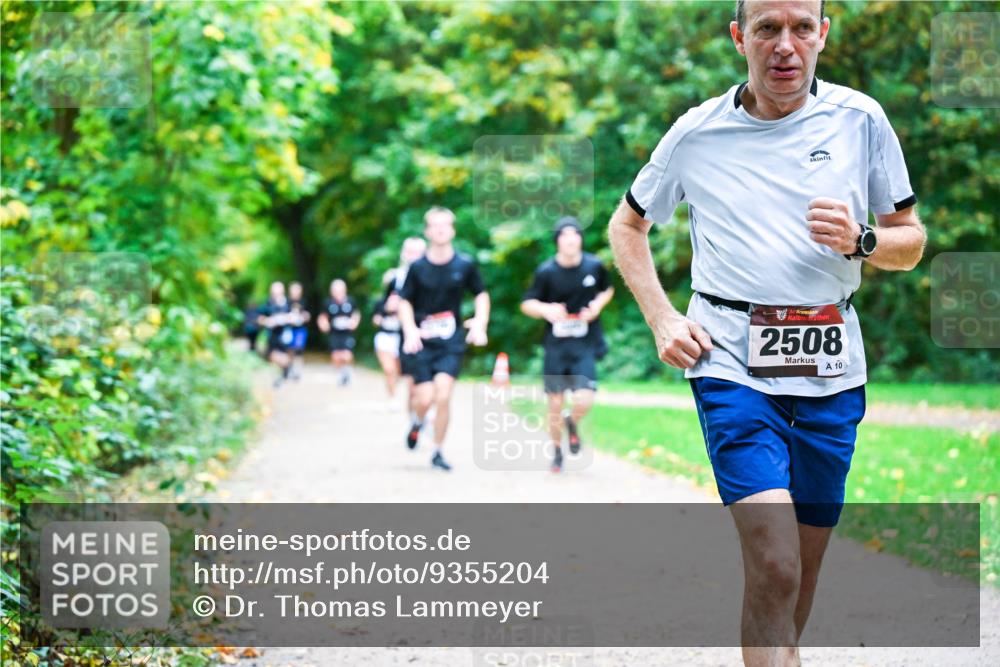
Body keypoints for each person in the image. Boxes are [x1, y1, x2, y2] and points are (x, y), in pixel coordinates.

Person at [608, 1, 925, 664]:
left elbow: (912, 240)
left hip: (833, 370)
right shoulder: (697, 133)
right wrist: (664, 317)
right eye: (767, 29)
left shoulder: (861, 119)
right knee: (777, 562)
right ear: (738, 38)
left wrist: (865, 239)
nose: (786, 46)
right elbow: (627, 225)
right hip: (731, 363)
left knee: (796, 576)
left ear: (822, 35)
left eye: (801, 28)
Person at [398, 207, 490, 471]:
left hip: (450, 341)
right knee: (425, 398)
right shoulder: (417, 268)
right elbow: (404, 302)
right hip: (422, 343)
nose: (440, 229)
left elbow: (481, 294)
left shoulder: (464, 264)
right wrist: (410, 330)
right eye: (434, 225)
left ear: (452, 230)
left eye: (445, 225)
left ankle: (438, 450)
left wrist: (479, 322)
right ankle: (417, 421)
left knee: (443, 394)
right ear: (427, 231)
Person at [521, 216, 614, 473]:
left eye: (575, 234)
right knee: (554, 403)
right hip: (556, 347)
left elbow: (607, 290)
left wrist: (597, 306)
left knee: (584, 399)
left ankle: (571, 422)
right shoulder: (546, 272)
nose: (571, 239)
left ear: (581, 239)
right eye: (565, 234)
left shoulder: (594, 266)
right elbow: (527, 303)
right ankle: (557, 452)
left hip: (584, 343)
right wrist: (545, 308)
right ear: (557, 241)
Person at [393, 237, 428, 422]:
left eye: (418, 252)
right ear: (403, 254)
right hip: (407, 335)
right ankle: (414, 422)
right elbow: (387, 305)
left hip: (433, 335)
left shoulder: (436, 272)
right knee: (413, 385)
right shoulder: (397, 278)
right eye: (410, 251)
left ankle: (425, 414)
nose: (414, 256)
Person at [317, 279, 360, 386]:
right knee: (336, 355)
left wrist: (354, 322)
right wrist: (324, 325)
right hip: (334, 333)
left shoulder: (350, 301)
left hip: (347, 333)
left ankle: (347, 370)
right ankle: (342, 373)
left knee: (347, 355)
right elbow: (323, 317)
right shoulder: (328, 303)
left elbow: (356, 314)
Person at [256, 281, 295, 387]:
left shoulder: (289, 303)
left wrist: (286, 318)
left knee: (286, 355)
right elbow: (260, 318)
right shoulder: (267, 303)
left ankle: (284, 372)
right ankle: (284, 371)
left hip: (285, 334)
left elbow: (295, 316)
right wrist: (268, 321)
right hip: (272, 334)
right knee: (272, 355)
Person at [372, 270, 403, 400]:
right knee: (389, 369)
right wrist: (384, 313)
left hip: (399, 338)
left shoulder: (405, 301)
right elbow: (375, 320)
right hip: (384, 338)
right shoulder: (380, 301)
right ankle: (392, 396)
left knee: (399, 371)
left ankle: (393, 389)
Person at [287, 281, 311, 380]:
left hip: (300, 329)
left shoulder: (304, 302)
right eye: (293, 289)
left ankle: (297, 370)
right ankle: (289, 368)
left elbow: (308, 315)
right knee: (290, 349)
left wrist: (305, 317)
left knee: (299, 349)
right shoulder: (286, 302)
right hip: (289, 329)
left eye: (297, 289)